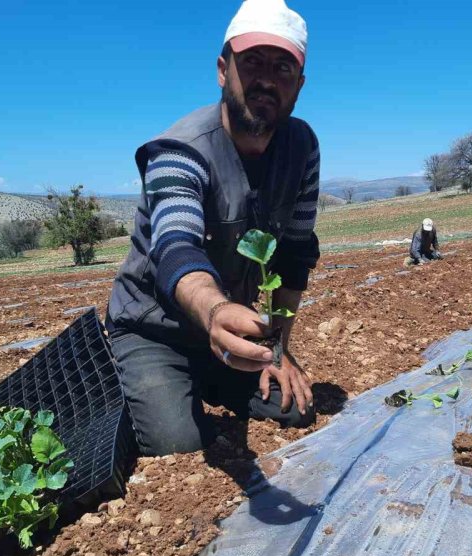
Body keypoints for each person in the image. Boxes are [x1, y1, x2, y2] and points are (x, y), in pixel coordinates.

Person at [105, 0, 319, 456]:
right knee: (177, 444)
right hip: (155, 329)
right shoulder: (178, 150)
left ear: (298, 85)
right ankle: (126, 377)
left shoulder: (302, 147)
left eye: (283, 68)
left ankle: (204, 380)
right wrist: (217, 312)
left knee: (293, 408)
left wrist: (277, 349)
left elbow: (297, 253)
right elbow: (177, 248)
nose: (266, 79)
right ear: (223, 70)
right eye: (252, 63)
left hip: (226, 330)